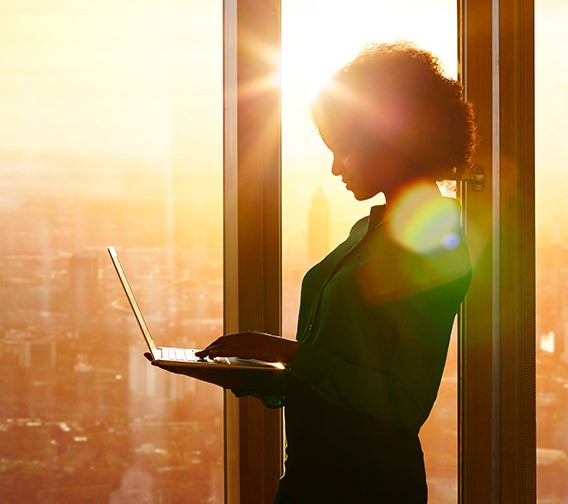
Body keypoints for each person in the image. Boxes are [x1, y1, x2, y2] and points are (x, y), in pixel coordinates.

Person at [193, 42, 478, 502]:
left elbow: (403, 401)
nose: (334, 168)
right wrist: (252, 372)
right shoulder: (370, 231)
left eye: (342, 149)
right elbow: (337, 370)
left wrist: (286, 352)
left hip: (368, 485)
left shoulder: (432, 245)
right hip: (313, 474)